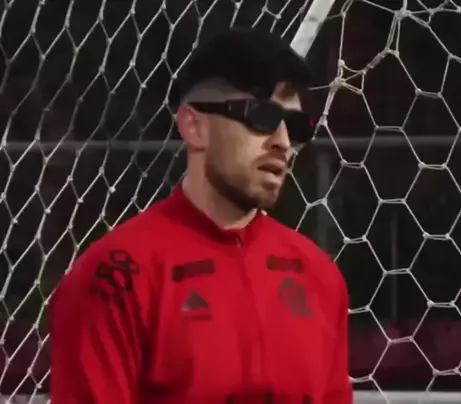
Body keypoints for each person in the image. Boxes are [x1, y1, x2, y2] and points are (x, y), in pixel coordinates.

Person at [48, 27, 353, 404]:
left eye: (296, 126)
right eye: (262, 116)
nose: (283, 143)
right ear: (194, 126)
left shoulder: (319, 277)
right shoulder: (115, 276)